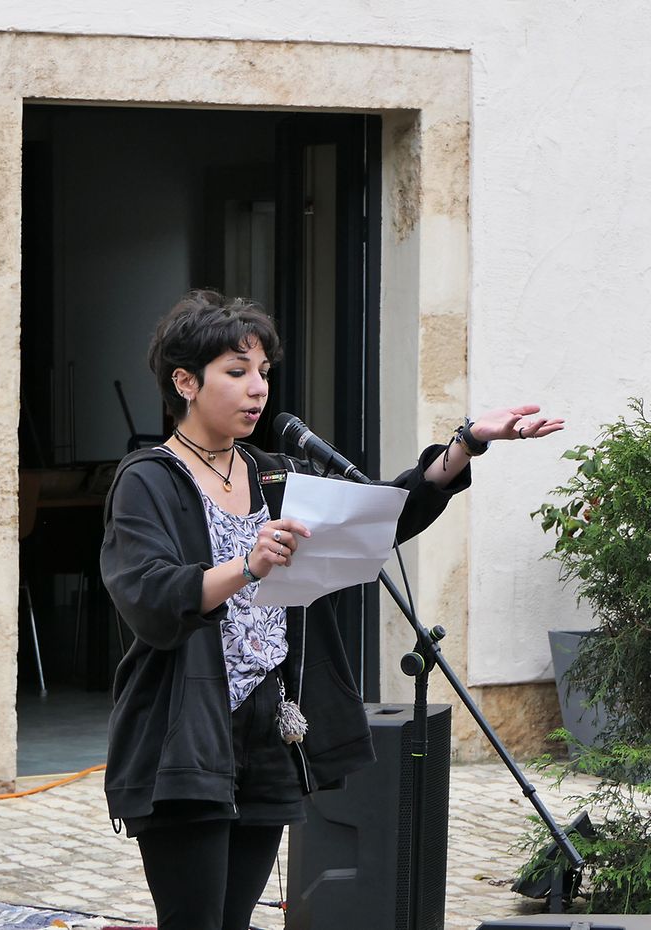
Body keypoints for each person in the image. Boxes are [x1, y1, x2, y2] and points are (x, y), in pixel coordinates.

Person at [99, 290, 563, 930]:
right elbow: (148, 595)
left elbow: (380, 515)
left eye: (263, 372)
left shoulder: (273, 473)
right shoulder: (147, 479)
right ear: (185, 382)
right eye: (236, 372)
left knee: (235, 920)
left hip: (270, 727)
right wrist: (247, 565)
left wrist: (466, 444)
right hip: (186, 727)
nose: (257, 389)